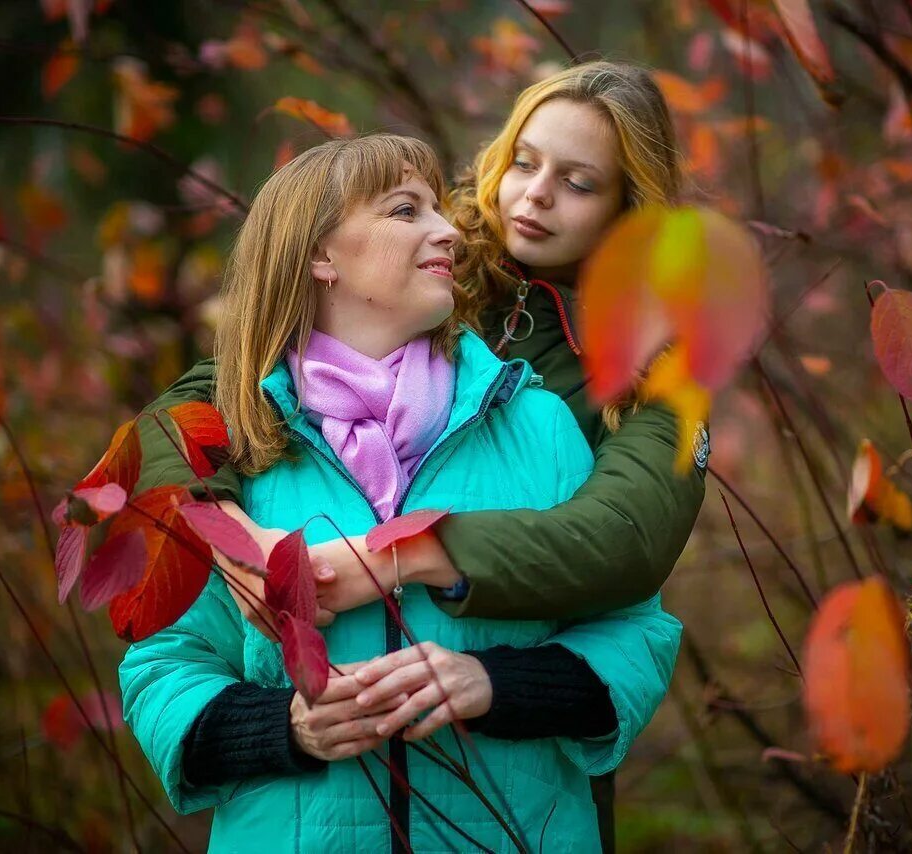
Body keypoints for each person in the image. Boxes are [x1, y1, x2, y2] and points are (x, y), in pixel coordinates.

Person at [129, 61, 704, 850]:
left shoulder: (629, 381)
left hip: (512, 798)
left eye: (578, 183)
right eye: (525, 162)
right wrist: (230, 538)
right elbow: (185, 417)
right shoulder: (425, 268)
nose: (533, 196)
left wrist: (409, 558)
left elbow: (625, 549)